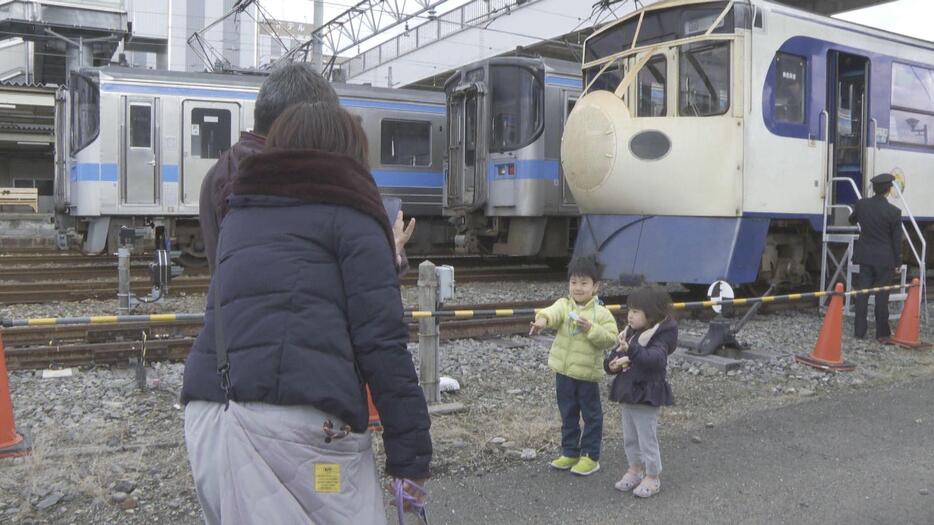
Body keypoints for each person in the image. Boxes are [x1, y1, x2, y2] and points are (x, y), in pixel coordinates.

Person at [181, 102, 432, 524]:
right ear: (349, 151)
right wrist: (411, 461)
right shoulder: (354, 216)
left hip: (209, 419)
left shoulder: (241, 214)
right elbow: (383, 345)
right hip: (296, 433)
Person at [198, 62, 415, 273]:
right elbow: (312, 283)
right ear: (304, 123)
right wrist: (388, 253)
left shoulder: (216, 174)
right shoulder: (294, 178)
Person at [529, 255, 618, 476]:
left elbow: (611, 338)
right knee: (568, 413)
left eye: (584, 283)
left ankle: (590, 456)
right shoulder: (564, 304)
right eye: (574, 282)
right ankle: (570, 451)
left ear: (595, 286)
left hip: (587, 376)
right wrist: (541, 320)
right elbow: (551, 313)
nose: (578, 288)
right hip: (564, 373)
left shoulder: (601, 313)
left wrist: (591, 329)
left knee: (591, 416)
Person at [605, 286, 677, 498]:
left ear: (652, 315)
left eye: (636, 311)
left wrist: (631, 350)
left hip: (646, 394)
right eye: (630, 310)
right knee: (630, 437)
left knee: (646, 438)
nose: (630, 315)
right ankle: (634, 470)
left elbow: (654, 360)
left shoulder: (660, 337)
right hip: (628, 392)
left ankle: (653, 476)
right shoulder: (630, 333)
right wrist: (611, 365)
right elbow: (614, 355)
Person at [848, 173, 903, 341]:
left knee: (863, 293)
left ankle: (859, 332)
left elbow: (852, 220)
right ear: (888, 190)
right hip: (885, 260)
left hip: (865, 256)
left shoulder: (862, 204)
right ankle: (882, 333)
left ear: (874, 188)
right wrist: (898, 261)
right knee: (882, 296)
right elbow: (896, 240)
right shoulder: (894, 212)